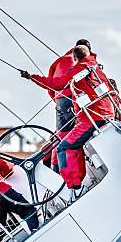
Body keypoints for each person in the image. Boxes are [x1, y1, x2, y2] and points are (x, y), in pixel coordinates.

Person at [20, 45, 115, 196]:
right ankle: (81, 180)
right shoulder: (98, 68)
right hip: (108, 114)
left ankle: (75, 188)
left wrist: (31, 77)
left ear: (75, 58)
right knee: (75, 145)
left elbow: (54, 84)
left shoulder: (78, 69)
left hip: (90, 119)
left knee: (63, 148)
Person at [46, 39, 92, 172]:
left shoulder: (59, 61)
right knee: (83, 132)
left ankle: (56, 170)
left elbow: (50, 86)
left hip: (61, 99)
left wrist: (58, 101)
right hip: (79, 97)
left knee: (61, 135)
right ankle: (79, 171)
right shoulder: (88, 59)